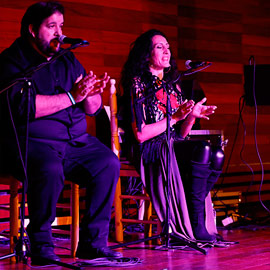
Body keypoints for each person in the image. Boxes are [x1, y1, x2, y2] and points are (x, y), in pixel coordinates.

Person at [0, 1, 122, 265]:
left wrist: (91, 93)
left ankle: (93, 244)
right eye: (51, 26)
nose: (59, 33)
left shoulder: (66, 57)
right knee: (49, 167)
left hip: (75, 141)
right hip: (33, 141)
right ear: (32, 29)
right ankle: (41, 245)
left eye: (61, 26)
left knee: (107, 163)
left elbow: (92, 108)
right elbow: (26, 107)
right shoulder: (12, 60)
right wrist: (72, 96)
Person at [118, 29, 225, 242]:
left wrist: (192, 117)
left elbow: (182, 134)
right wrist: (176, 118)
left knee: (218, 154)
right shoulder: (137, 84)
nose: (167, 51)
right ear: (146, 54)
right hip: (149, 147)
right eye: (160, 47)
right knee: (202, 148)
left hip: (172, 143)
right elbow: (140, 134)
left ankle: (193, 217)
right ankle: (195, 224)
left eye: (168, 47)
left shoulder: (173, 86)